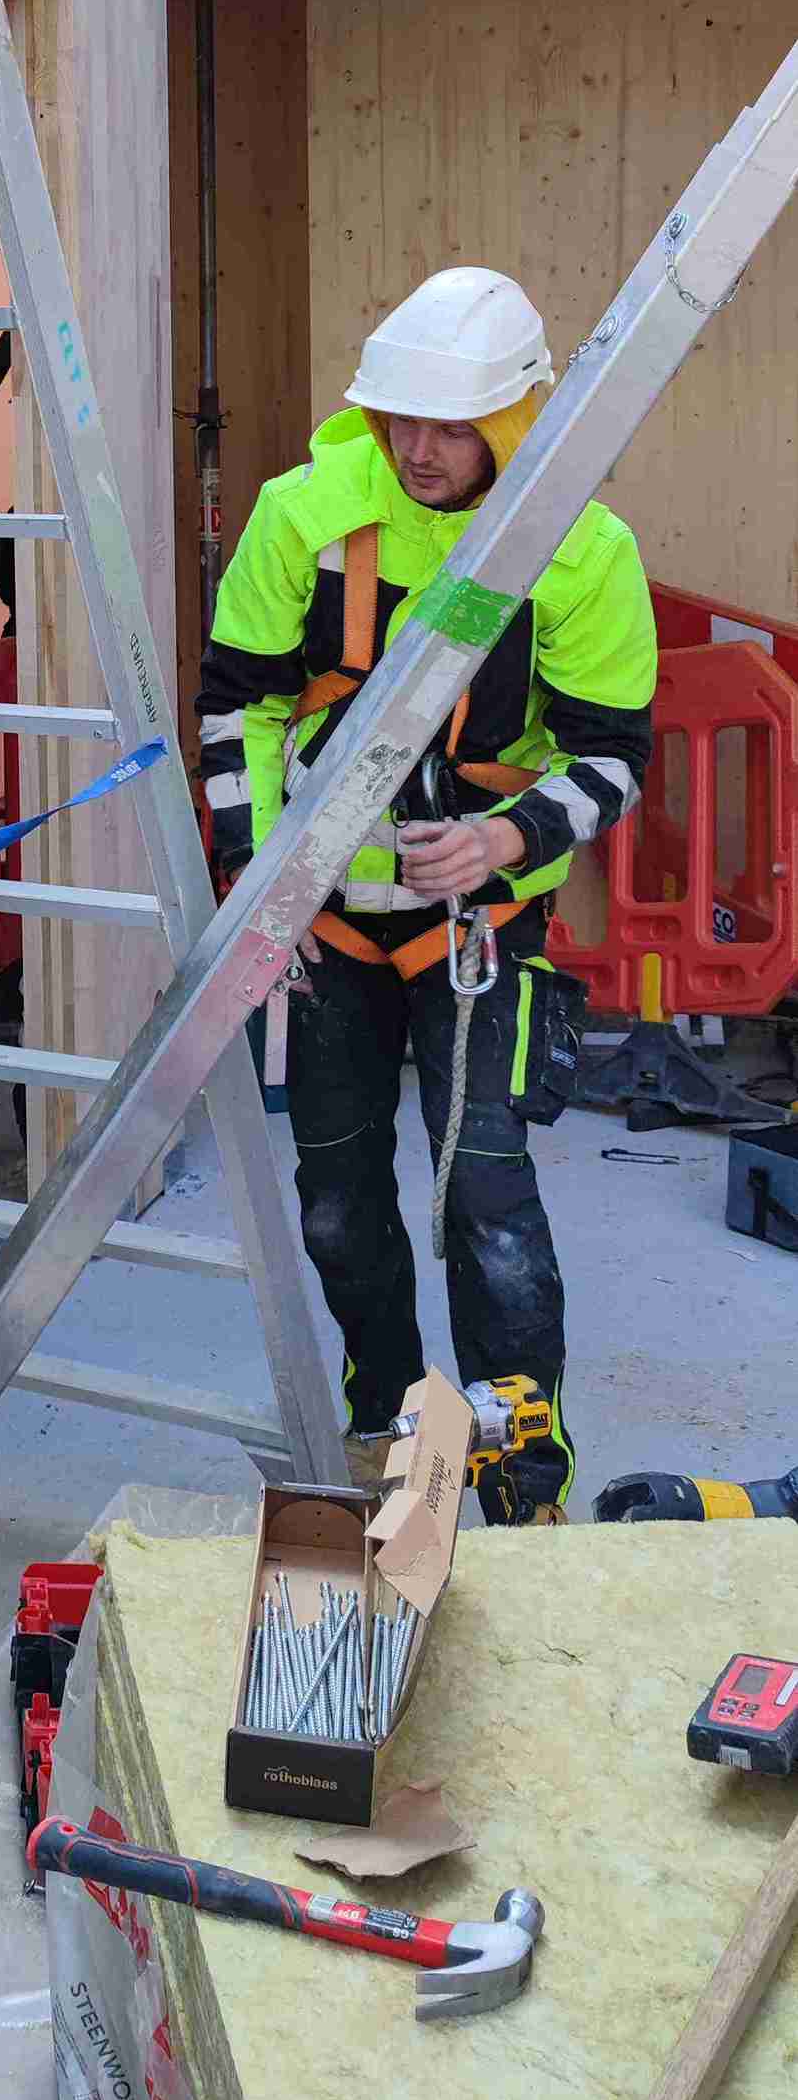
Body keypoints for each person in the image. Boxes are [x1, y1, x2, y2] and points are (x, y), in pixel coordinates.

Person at [198, 267, 655, 1523]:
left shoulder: (580, 548)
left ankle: (518, 1463)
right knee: (338, 1204)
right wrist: (257, 884)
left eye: (449, 425)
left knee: (487, 1206)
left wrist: (506, 840)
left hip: (478, 934)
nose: (415, 449)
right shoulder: (303, 512)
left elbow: (615, 755)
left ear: (513, 420)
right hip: (326, 927)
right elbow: (232, 705)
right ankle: (381, 1418)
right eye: (397, 418)